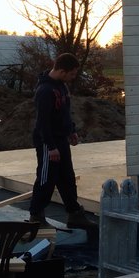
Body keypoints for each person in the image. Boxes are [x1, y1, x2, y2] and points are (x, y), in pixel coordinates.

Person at [27, 53, 94, 229]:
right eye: (72, 74)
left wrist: (71, 130)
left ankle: (74, 214)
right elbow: (42, 122)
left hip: (61, 139)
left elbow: (65, 111)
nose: (73, 77)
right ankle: (36, 217)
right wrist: (51, 147)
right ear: (62, 71)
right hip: (47, 141)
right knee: (46, 179)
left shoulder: (62, 87)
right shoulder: (44, 91)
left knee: (67, 177)